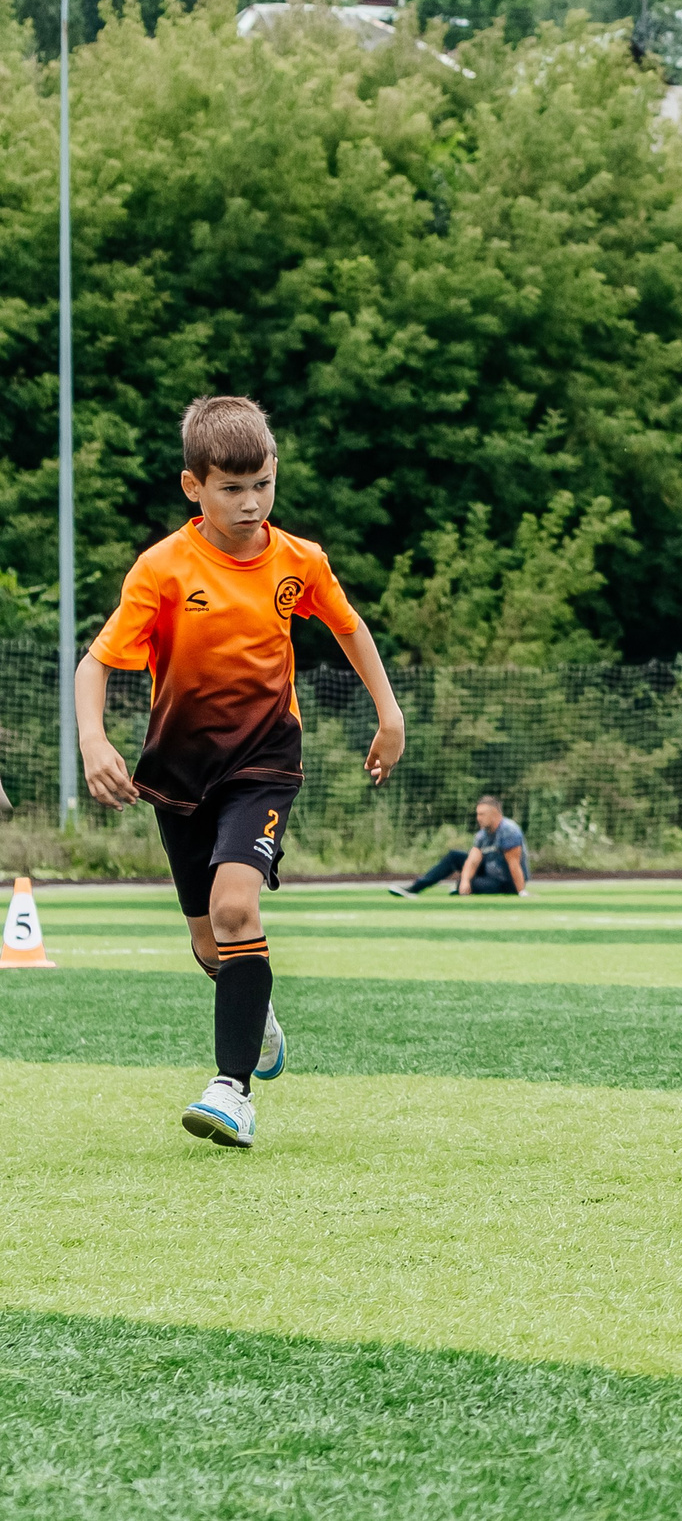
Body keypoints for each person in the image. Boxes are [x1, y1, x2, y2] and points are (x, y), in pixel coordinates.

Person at [77, 395, 405, 1149]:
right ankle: (255, 1017)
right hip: (178, 773)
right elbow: (94, 664)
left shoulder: (300, 561)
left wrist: (389, 715)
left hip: (264, 764)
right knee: (209, 944)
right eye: (231, 488)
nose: (251, 503)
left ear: (275, 472)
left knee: (234, 911)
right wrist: (94, 741)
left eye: (262, 484)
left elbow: (350, 627)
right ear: (193, 486)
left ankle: (232, 1091)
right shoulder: (162, 568)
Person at [391, 796, 533, 897]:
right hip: (490, 873)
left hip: (507, 880)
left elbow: (514, 864)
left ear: (495, 814)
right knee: (454, 857)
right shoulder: (483, 834)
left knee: (470, 885)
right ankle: (414, 888)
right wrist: (465, 881)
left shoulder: (509, 831)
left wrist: (521, 892)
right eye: (478, 814)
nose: (478, 818)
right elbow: (472, 860)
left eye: (482, 814)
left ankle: (462, 887)